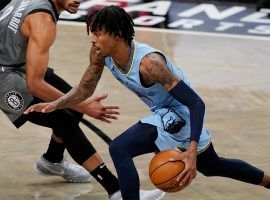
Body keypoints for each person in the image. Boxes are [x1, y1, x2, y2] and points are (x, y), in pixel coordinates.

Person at [25, 5, 270, 200]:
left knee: (122, 148)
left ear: (117, 34)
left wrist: (192, 151)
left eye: (98, 33)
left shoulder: (150, 64)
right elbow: (83, 90)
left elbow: (196, 103)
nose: (93, 39)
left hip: (181, 113)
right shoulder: (101, 54)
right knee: (214, 165)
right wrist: (56, 104)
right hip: (162, 112)